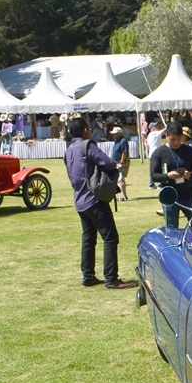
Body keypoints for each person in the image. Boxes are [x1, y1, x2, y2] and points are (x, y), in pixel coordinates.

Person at [63, 118, 136, 290]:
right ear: (85, 130)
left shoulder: (69, 150)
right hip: (94, 199)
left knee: (88, 238)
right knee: (110, 238)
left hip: (80, 199)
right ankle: (111, 278)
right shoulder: (88, 146)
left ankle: (88, 276)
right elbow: (108, 162)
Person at [150, 122, 192, 228]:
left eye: (178, 139)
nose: (176, 143)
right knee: (171, 229)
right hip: (169, 196)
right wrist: (167, 176)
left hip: (189, 195)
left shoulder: (191, 151)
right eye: (172, 139)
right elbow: (154, 175)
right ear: (166, 136)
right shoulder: (159, 153)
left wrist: (189, 175)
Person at [109, 126, 131, 201]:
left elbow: (124, 152)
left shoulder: (123, 141)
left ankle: (123, 196)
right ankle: (122, 195)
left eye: (115, 134)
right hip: (116, 161)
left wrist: (121, 162)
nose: (113, 135)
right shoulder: (116, 141)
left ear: (120, 133)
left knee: (121, 178)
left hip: (121, 161)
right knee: (119, 179)